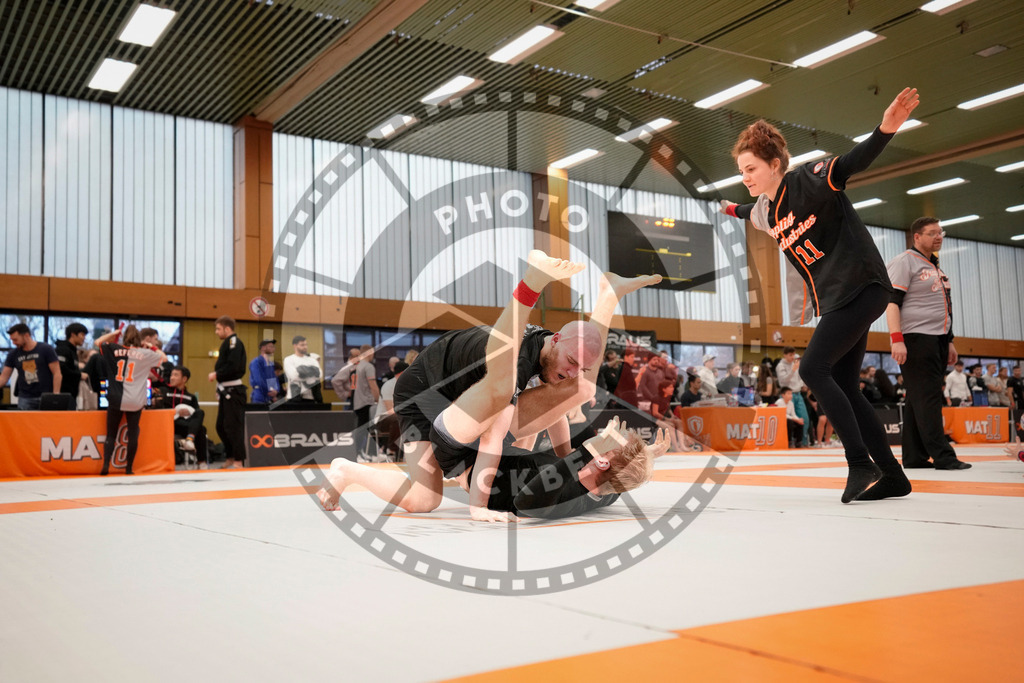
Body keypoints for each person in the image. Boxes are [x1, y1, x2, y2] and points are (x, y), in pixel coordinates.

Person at [320, 250, 660, 519]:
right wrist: (478, 505)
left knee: (579, 388)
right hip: (425, 394)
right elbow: (492, 436)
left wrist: (568, 456)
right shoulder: (518, 363)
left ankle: (608, 294)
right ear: (556, 341)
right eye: (570, 363)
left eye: (578, 365)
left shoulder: (554, 356)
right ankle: (346, 470)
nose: (573, 371)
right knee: (424, 498)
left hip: (471, 394)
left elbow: (560, 402)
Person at [720, 87, 921, 502]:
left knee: (813, 370)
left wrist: (885, 129)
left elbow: (851, 162)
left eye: (751, 168)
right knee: (845, 384)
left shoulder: (808, 180)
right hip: (837, 298)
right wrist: (728, 208)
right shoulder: (763, 210)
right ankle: (892, 474)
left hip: (861, 285)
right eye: (742, 172)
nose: (746, 178)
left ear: (775, 165)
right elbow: (745, 210)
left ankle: (859, 462)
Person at [886, 216, 969, 469]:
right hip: (915, 338)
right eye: (932, 233)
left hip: (938, 338)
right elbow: (891, 303)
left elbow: (945, 307)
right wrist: (896, 339)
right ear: (917, 237)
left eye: (940, 232)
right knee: (929, 397)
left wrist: (950, 341)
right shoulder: (905, 262)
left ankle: (913, 456)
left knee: (917, 398)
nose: (938, 236)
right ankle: (943, 456)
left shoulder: (934, 266)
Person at [95, 325, 166, 475]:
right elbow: (163, 358)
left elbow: (98, 342)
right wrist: (151, 347)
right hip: (135, 399)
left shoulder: (113, 348)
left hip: (115, 397)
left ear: (123, 337)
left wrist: (113, 333)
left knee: (111, 434)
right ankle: (129, 468)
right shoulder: (145, 353)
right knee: (133, 433)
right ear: (140, 339)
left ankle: (106, 465)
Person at [207, 316, 247, 468]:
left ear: (227, 328)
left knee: (234, 426)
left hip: (234, 391)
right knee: (221, 426)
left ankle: (238, 460)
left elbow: (234, 366)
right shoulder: (227, 344)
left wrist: (217, 374)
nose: (216, 332)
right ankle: (230, 456)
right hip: (225, 390)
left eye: (218, 329)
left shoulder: (234, 343)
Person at [0, 323, 61, 411]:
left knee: (46, 423)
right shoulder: (13, 354)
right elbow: (3, 378)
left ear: (26, 335)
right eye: (12, 340)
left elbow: (57, 373)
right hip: (25, 397)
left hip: (46, 396)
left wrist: (55, 395)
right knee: (24, 423)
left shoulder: (46, 349)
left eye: (15, 340)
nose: (13, 343)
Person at [164, 366, 208, 469]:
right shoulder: (164, 392)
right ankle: (201, 460)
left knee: (200, 414)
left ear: (184, 379)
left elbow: (197, 414)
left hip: (186, 425)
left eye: (175, 375)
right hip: (170, 424)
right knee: (200, 430)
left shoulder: (191, 397)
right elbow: (160, 410)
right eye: (171, 375)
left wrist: (189, 413)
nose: (172, 378)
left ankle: (189, 441)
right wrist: (176, 412)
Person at [370, 361, 409, 460]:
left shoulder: (407, 385)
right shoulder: (389, 385)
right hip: (382, 419)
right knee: (398, 418)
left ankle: (407, 454)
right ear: (402, 372)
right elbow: (390, 410)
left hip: (400, 417)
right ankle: (391, 452)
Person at [55, 322, 87, 407]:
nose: (84, 338)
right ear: (73, 335)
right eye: (82, 335)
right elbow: (61, 369)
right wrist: (80, 375)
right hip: (63, 395)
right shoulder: (62, 349)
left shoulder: (73, 351)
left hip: (72, 395)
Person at [284, 335, 323, 403]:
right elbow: (294, 376)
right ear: (295, 345)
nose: (305, 347)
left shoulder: (312, 360)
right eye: (302, 345)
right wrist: (311, 373)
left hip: (310, 397)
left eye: (306, 345)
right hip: (294, 397)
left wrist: (301, 371)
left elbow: (319, 375)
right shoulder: (289, 359)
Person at [352, 345, 379, 430]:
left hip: (357, 402)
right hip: (367, 403)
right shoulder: (368, 367)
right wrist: (379, 400)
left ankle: (359, 443)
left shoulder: (357, 366)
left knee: (360, 429)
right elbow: (373, 386)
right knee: (368, 431)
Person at [249, 339, 279, 404]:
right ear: (263, 348)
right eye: (270, 346)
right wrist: (270, 390)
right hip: (259, 394)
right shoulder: (256, 362)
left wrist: (276, 391)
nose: (273, 348)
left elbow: (274, 379)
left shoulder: (270, 364)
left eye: (273, 347)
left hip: (269, 396)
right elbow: (258, 380)